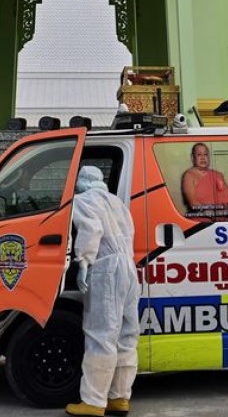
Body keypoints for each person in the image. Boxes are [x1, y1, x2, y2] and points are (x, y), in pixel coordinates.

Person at [66, 166, 140, 417]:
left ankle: (93, 402)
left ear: (83, 182)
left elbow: (91, 229)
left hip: (106, 266)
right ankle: (119, 397)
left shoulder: (84, 200)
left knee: (101, 334)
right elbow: (130, 233)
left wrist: (83, 262)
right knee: (126, 335)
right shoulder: (117, 202)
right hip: (129, 267)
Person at [180, 142, 228, 219]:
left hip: (221, 222)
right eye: (199, 155)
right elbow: (193, 202)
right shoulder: (189, 175)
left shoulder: (217, 175)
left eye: (205, 154)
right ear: (192, 157)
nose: (203, 158)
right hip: (200, 223)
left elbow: (227, 200)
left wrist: (223, 213)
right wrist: (208, 212)